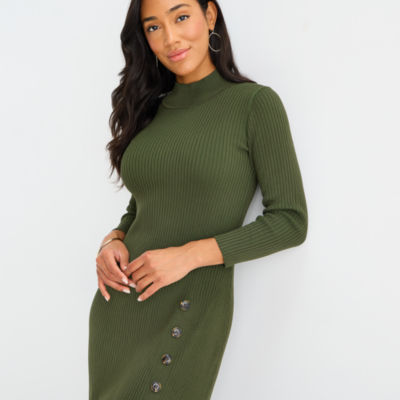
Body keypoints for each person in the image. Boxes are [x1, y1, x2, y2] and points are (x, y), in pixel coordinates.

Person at [88, 0, 308, 398]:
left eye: (181, 17)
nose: (170, 38)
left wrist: (188, 255)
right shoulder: (150, 110)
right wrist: (113, 239)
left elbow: (290, 220)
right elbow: (145, 202)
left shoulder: (254, 105)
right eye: (153, 27)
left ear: (209, 16)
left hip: (189, 307)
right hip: (119, 313)